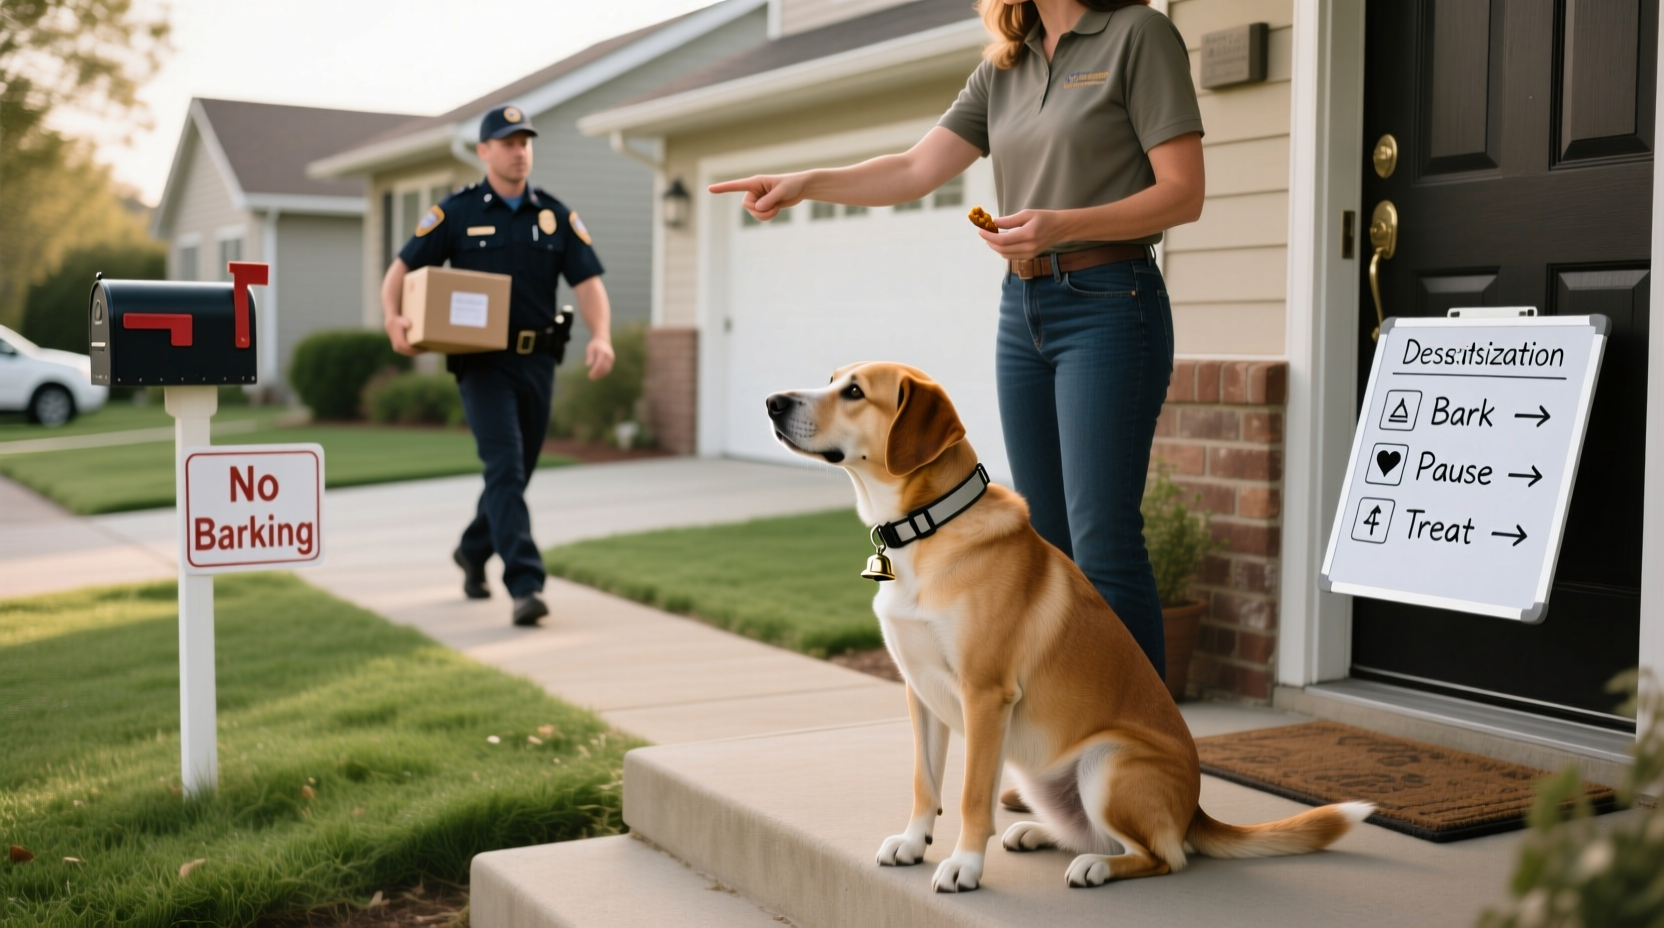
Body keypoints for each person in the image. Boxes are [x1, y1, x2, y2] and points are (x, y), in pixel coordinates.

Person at [709, 0, 1203, 676]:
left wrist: (1061, 225)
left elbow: (1183, 194)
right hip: (1022, 308)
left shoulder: (1137, 35)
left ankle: (1150, 761)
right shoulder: (1008, 62)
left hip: (1110, 304)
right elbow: (915, 170)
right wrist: (807, 184)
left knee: (1103, 543)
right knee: (1047, 547)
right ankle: (1064, 761)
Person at [382, 104, 615, 627]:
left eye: (525, 141)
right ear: (484, 150)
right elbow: (401, 269)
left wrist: (602, 336)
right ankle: (525, 584)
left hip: (538, 364)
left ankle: (472, 549)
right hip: (481, 365)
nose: (519, 151)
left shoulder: (554, 215)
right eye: (508, 142)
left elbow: (588, 283)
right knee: (505, 467)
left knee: (516, 474)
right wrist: (393, 319)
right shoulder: (457, 212)